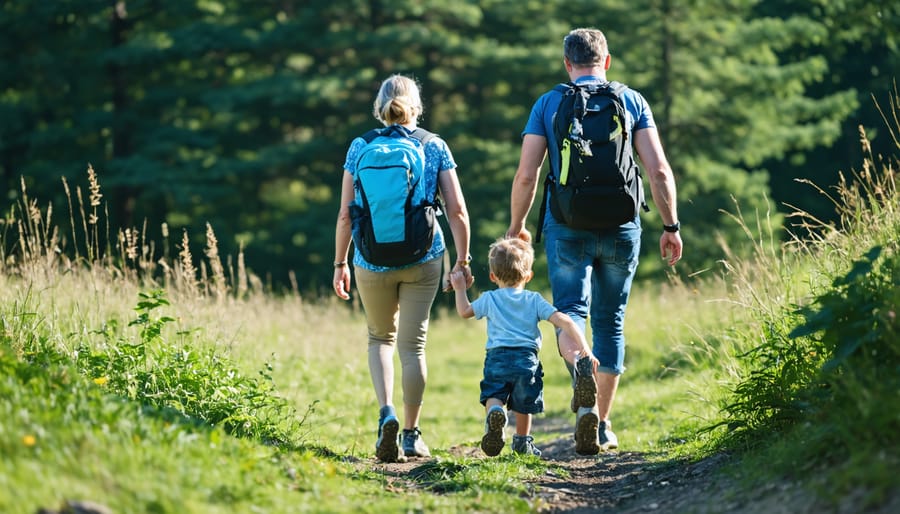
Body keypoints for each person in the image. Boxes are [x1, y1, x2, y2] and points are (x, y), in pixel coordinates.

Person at [506, 28, 683, 453]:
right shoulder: (632, 100)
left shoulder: (549, 104)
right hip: (623, 225)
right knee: (612, 319)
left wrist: (517, 227)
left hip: (567, 223)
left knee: (570, 312)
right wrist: (671, 225)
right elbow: (657, 170)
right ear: (606, 61)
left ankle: (582, 386)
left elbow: (528, 174)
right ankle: (601, 423)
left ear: (568, 64)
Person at [333, 74, 474, 463]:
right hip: (424, 256)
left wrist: (340, 262)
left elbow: (346, 215)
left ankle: (386, 414)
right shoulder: (434, 146)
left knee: (380, 338)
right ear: (417, 106)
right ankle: (411, 435)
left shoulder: (360, 146)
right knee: (414, 346)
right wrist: (463, 261)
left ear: (380, 108)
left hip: (369, 259)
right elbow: (458, 211)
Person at [449, 237, 598, 457]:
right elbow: (565, 321)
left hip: (497, 358)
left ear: (493, 276)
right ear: (528, 276)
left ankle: (495, 412)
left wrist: (459, 289)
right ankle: (521, 442)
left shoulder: (489, 298)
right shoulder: (534, 300)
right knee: (524, 403)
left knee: (494, 393)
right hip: (526, 360)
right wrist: (585, 348)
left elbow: (464, 312)